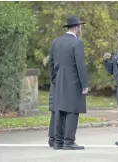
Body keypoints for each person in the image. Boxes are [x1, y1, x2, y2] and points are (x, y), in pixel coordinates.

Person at [48, 15, 88, 150]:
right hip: (73, 81)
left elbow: (51, 63)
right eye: (80, 27)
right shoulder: (77, 43)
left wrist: (54, 78)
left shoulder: (56, 41)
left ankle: (58, 141)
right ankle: (69, 141)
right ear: (77, 27)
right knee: (72, 110)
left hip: (59, 80)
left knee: (59, 110)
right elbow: (80, 65)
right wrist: (84, 84)